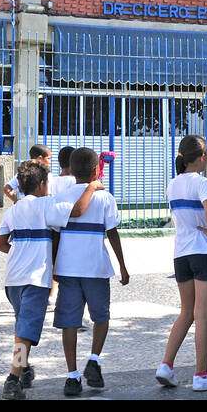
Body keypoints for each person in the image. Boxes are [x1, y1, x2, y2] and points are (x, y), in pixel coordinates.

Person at [0, 160, 104, 400]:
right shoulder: (46, 205)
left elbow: (0, 243)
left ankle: (23, 369)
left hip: (13, 279)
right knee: (24, 332)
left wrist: (20, 251)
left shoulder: (13, 209)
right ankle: (13, 378)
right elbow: (77, 211)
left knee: (22, 328)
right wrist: (92, 188)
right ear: (43, 184)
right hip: (35, 279)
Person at [53, 148, 129, 396]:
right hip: (96, 267)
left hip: (68, 268)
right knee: (101, 316)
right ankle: (94, 359)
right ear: (97, 169)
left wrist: (53, 265)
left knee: (69, 323)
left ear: (71, 170)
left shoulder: (61, 194)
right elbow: (113, 233)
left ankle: (72, 375)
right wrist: (122, 266)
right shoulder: (104, 197)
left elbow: (54, 234)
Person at [157, 135, 207, 391]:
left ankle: (166, 365)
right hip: (202, 253)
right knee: (202, 314)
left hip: (180, 255)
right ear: (202, 157)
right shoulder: (202, 182)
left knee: (186, 313)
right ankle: (201, 374)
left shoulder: (172, 184)